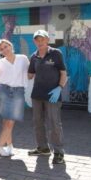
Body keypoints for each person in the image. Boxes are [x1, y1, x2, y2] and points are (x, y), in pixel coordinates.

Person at [28, 29, 68, 164]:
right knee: (37, 122)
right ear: (34, 41)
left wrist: (60, 88)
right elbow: (30, 75)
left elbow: (63, 73)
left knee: (54, 123)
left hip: (53, 95)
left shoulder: (56, 53)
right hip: (37, 95)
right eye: (37, 40)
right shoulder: (33, 56)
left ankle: (58, 152)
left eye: (42, 39)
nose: (40, 42)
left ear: (47, 40)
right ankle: (43, 148)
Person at [0, 39, 29, 157]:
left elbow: (30, 73)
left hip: (18, 92)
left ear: (11, 45)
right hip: (4, 91)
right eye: (2, 49)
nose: (5, 49)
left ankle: (6, 146)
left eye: (6, 46)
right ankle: (3, 147)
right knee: (6, 122)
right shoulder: (1, 62)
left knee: (10, 122)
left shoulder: (23, 58)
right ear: (0, 52)